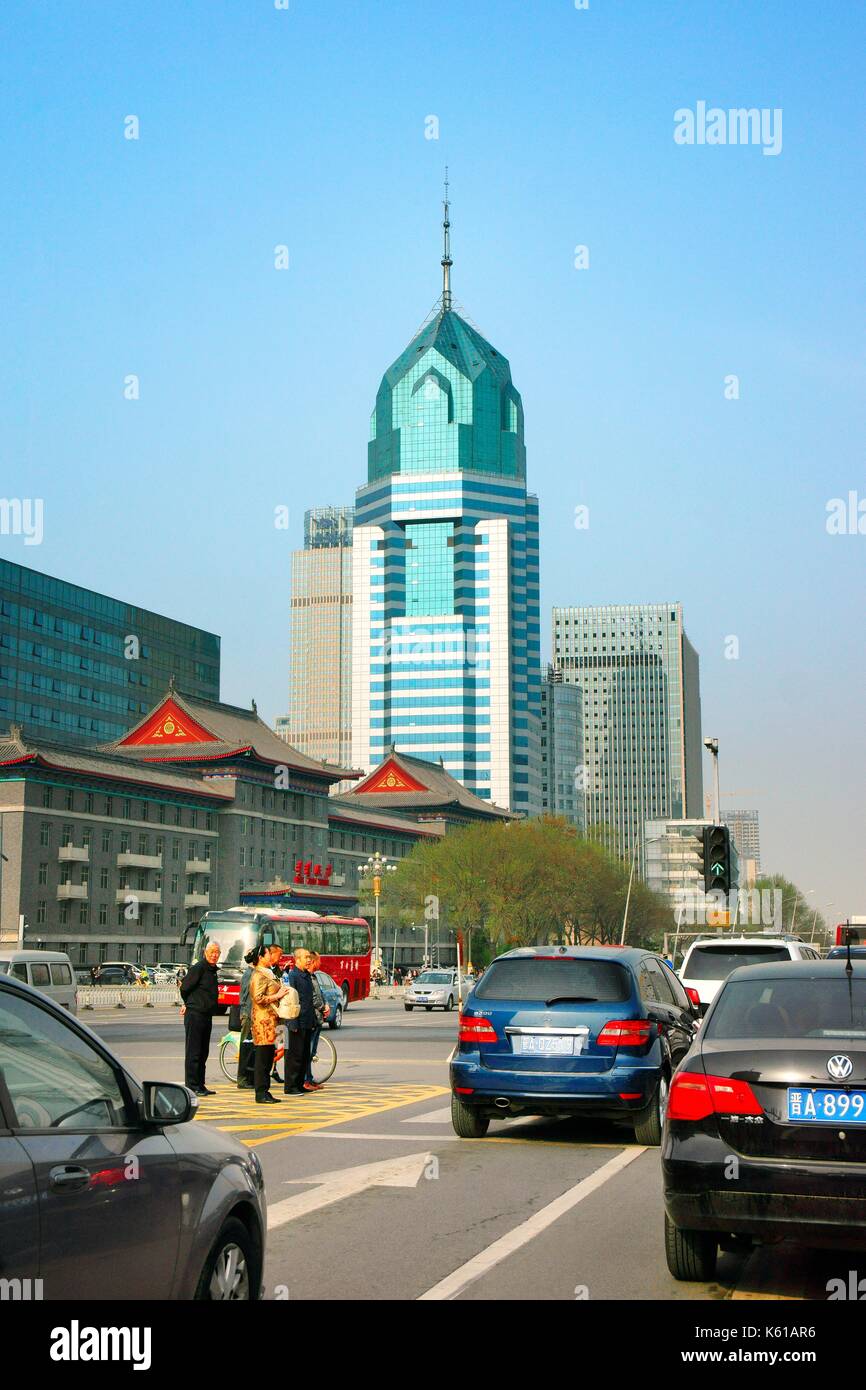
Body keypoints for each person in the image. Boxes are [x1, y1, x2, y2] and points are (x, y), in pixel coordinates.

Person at [179, 942, 221, 1096]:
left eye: (217, 952)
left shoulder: (212, 970)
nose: (214, 955)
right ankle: (192, 1085)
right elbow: (184, 988)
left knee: (203, 1052)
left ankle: (200, 1084)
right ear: (205, 952)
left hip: (206, 1015)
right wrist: (189, 1003)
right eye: (211, 952)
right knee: (194, 1051)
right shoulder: (199, 968)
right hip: (195, 1014)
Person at [249, 942, 287, 1104]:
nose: (271, 957)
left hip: (272, 1020)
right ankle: (261, 1092)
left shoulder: (268, 973)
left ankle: (265, 1090)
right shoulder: (258, 975)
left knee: (268, 1056)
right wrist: (277, 996)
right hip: (263, 1021)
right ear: (261, 957)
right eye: (268, 954)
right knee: (263, 1058)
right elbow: (257, 998)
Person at [282, 947, 317, 1096]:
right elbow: (290, 1001)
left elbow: (309, 1000)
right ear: (297, 959)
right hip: (296, 1021)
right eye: (306, 957)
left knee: (303, 1055)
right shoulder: (293, 976)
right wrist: (292, 1022)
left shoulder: (306, 975)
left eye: (309, 957)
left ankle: (299, 1084)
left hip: (307, 1020)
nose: (309, 960)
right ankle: (290, 1086)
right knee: (294, 1056)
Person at [304, 952, 331, 1090]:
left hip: (318, 1017)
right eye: (319, 960)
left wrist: (326, 1005)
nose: (320, 962)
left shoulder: (314, 976)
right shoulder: (307, 977)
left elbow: (321, 993)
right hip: (313, 1017)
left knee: (312, 1051)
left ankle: (309, 1078)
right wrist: (322, 1007)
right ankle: (306, 1079)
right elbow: (313, 997)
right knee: (308, 1050)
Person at [236, 955, 256, 1090]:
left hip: (251, 1015)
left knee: (251, 1049)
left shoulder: (254, 973)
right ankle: (242, 1079)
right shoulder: (249, 974)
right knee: (245, 1048)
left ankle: (250, 1077)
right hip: (248, 1015)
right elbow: (245, 997)